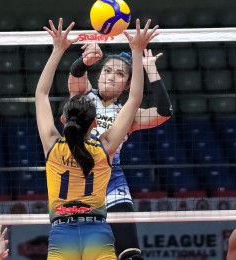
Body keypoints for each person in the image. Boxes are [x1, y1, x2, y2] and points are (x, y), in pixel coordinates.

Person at [35, 17, 158, 259]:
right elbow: (134, 99)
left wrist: (58, 50)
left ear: (64, 121)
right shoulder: (105, 149)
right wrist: (136, 51)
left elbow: (41, 94)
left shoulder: (52, 146)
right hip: (97, 232)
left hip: (62, 233)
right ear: (95, 124)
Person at [67, 27, 172, 260]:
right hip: (76, 182)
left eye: (119, 74)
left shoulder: (127, 114)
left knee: (130, 255)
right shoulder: (84, 96)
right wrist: (84, 61)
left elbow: (164, 112)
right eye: (106, 70)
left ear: (127, 85)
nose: (111, 76)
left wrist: (151, 70)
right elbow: (75, 75)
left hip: (112, 180)